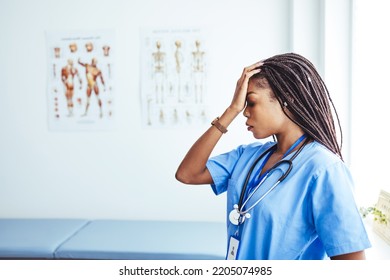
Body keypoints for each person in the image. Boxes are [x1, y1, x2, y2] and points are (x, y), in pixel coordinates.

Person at [175, 53, 371, 260]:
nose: (244, 112)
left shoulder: (324, 169)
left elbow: (352, 263)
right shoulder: (247, 156)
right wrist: (231, 110)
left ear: (287, 99)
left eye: (250, 102)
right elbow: (187, 174)